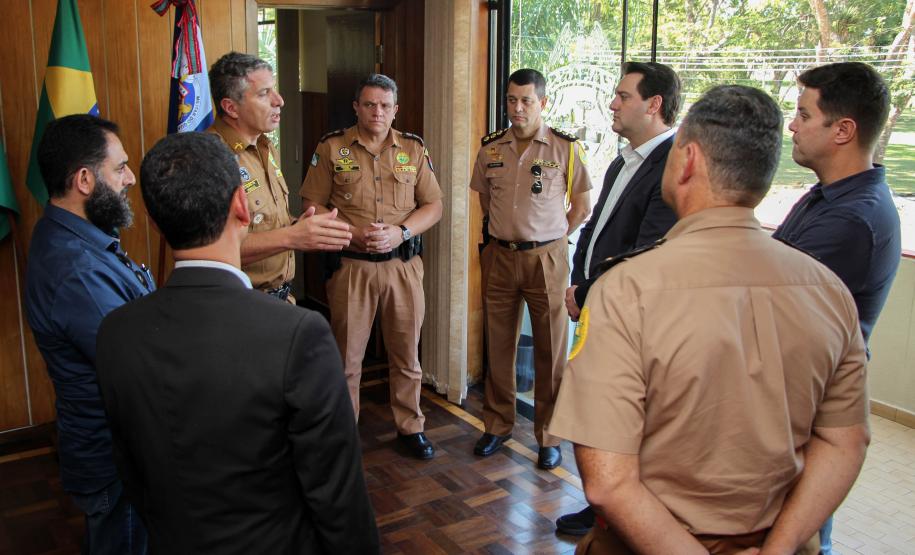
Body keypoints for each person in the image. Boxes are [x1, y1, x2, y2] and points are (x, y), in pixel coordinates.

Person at [547, 85, 870, 554]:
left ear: (689, 160)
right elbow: (846, 442)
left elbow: (608, 482)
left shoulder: (626, 291)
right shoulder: (829, 291)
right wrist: (779, 547)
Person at [95, 132, 379, 554]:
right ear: (242, 207)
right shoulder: (298, 335)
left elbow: (132, 470)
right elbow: (338, 494)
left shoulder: (115, 333)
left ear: (154, 223)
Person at [772, 61, 901, 555]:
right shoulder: (828, 197)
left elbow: (767, 305)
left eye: (804, 115)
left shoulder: (852, 218)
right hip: (794, 396)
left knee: (797, 532)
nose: (793, 125)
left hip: (808, 403)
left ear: (843, 130)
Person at [556, 61, 681, 535]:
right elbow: (595, 228)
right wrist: (579, 282)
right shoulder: (622, 159)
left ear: (654, 105)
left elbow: (647, 251)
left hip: (627, 314)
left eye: (623, 96)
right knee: (600, 416)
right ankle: (602, 506)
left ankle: (618, 518)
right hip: (596, 304)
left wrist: (586, 291)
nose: (612, 104)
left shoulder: (670, 167)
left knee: (621, 419)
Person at [300, 74, 443, 460]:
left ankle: (410, 427)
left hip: (402, 267)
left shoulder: (413, 149)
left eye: (384, 105)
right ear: (356, 107)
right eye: (369, 104)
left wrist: (401, 232)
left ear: (395, 110)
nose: (377, 111)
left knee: (407, 356)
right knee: (347, 359)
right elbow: (311, 206)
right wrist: (351, 233)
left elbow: (434, 205)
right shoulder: (332, 147)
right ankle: (344, 432)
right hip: (352, 266)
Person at [25, 114, 150, 554]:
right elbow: (137, 362)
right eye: (120, 168)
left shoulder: (78, 236)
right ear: (84, 179)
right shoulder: (76, 269)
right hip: (116, 460)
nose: (130, 179)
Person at [469, 68, 592, 470]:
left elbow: (582, 207)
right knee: (498, 345)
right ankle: (497, 425)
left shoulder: (565, 148)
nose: (517, 108)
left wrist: (552, 237)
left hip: (547, 259)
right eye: (511, 100)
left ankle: (549, 437)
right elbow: (485, 201)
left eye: (526, 100)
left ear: (543, 102)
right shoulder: (490, 149)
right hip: (500, 256)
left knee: (551, 350)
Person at [207, 51, 351, 300]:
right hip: (239, 302)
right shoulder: (210, 157)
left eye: (274, 90)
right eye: (264, 93)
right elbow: (214, 248)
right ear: (231, 107)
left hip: (281, 297)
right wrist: (293, 237)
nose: (279, 101)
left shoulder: (265, 147)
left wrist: (301, 227)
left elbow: (265, 223)